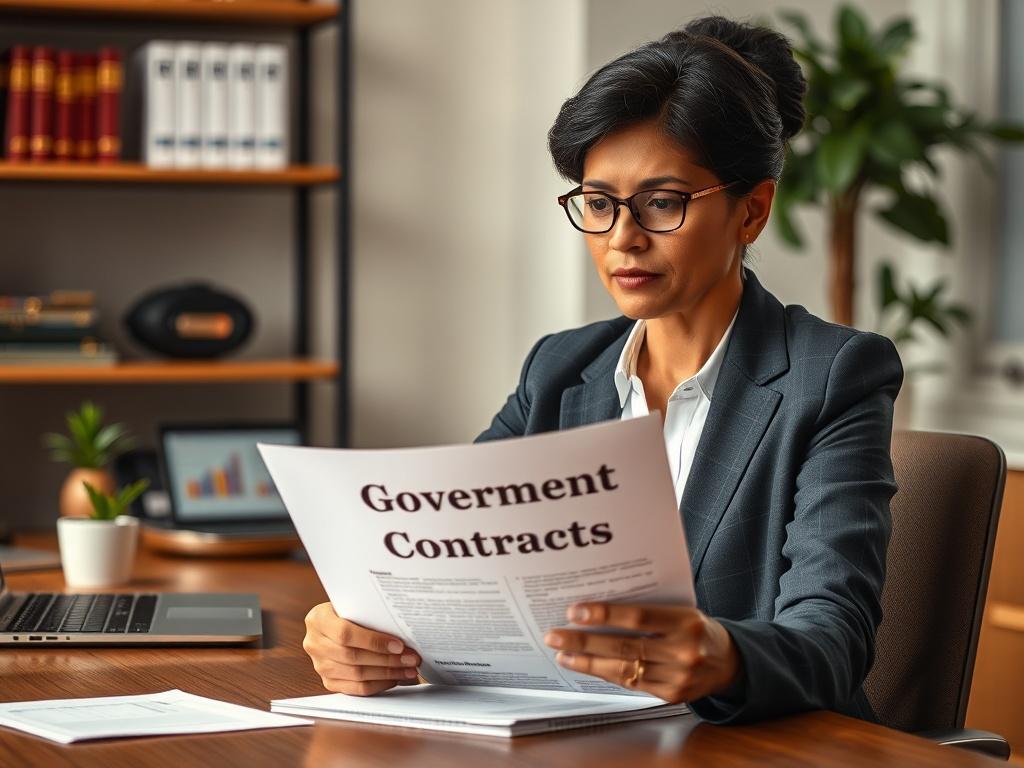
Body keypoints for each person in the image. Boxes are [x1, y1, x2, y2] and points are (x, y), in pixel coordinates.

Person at [302, 15, 903, 725]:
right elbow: (446, 566)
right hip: (573, 735)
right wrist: (356, 628)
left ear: (751, 211)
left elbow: (833, 641)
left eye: (662, 203)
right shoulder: (562, 369)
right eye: (598, 203)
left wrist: (721, 656)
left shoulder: (831, 375)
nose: (623, 238)